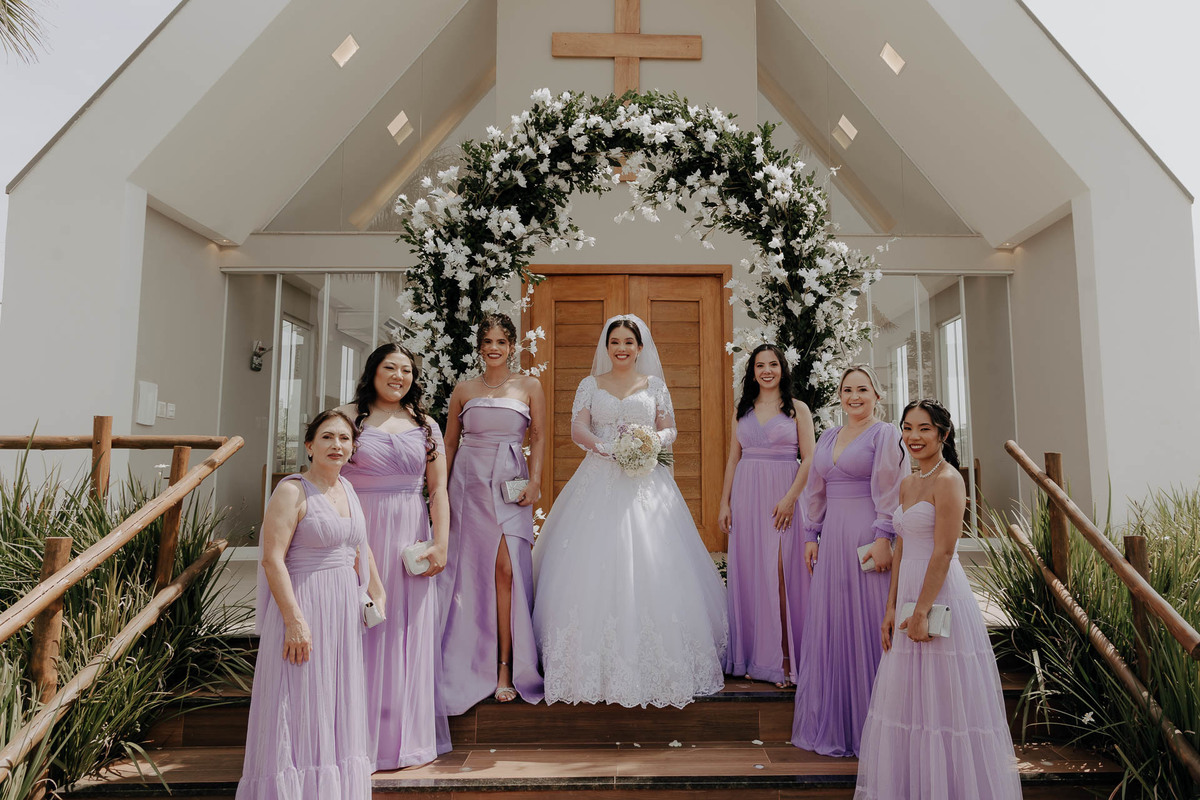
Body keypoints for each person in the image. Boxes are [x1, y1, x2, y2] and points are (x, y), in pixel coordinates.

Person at [532, 314, 728, 709]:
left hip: (645, 478)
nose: (621, 348)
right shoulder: (591, 384)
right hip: (599, 475)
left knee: (654, 559)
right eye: (615, 342)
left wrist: (649, 440)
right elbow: (577, 428)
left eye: (628, 342)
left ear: (640, 348)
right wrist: (607, 448)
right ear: (607, 348)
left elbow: (670, 427)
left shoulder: (654, 385)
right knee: (593, 563)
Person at [854, 400, 1021, 798]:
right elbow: (900, 548)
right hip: (908, 590)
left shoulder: (949, 481)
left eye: (924, 429)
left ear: (943, 434)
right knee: (908, 701)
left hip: (939, 594)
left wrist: (923, 611)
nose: (914, 437)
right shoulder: (909, 482)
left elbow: (944, 552)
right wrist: (893, 607)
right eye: (908, 428)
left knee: (945, 701)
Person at [237, 410, 381, 799]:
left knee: (334, 706)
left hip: (342, 614)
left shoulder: (348, 490)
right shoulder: (291, 490)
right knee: (297, 703)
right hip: (304, 606)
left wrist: (376, 594)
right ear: (309, 445)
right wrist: (294, 621)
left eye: (345, 439)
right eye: (328, 437)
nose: (337, 445)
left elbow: (359, 549)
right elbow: (271, 559)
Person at [338, 344, 450, 769]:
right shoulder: (346, 418)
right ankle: (355, 741)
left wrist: (441, 542)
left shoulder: (426, 426)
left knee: (407, 631)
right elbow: (327, 476)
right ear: (374, 371)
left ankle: (404, 741)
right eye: (390, 368)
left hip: (409, 537)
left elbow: (437, 489)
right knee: (361, 627)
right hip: (358, 532)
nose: (399, 376)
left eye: (406, 370)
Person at [791, 364, 907, 757]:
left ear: (877, 395)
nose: (854, 397)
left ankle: (874, 731)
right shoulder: (827, 436)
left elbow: (890, 489)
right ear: (839, 395)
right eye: (847, 390)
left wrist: (883, 537)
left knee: (867, 623)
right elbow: (815, 490)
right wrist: (810, 535)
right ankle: (836, 722)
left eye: (862, 389)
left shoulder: (885, 434)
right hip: (832, 539)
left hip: (867, 537)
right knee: (834, 624)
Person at [439, 313, 546, 710]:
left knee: (507, 570)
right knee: (468, 572)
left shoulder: (530, 385)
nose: (494, 347)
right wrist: (439, 493)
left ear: (513, 345)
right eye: (488, 341)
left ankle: (507, 665)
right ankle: (470, 658)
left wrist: (534, 483)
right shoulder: (464, 388)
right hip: (467, 483)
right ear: (480, 346)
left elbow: (538, 436)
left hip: (511, 482)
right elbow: (449, 443)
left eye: (502, 341)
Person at [718, 344, 816, 688]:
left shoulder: (797, 409)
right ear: (753, 371)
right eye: (760, 365)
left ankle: (786, 661)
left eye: (773, 364)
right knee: (750, 574)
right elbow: (733, 458)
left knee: (781, 574)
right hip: (746, 497)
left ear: (782, 369)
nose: (767, 370)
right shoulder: (741, 409)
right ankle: (753, 657)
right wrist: (724, 502)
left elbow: (811, 459)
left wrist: (791, 499)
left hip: (783, 498)